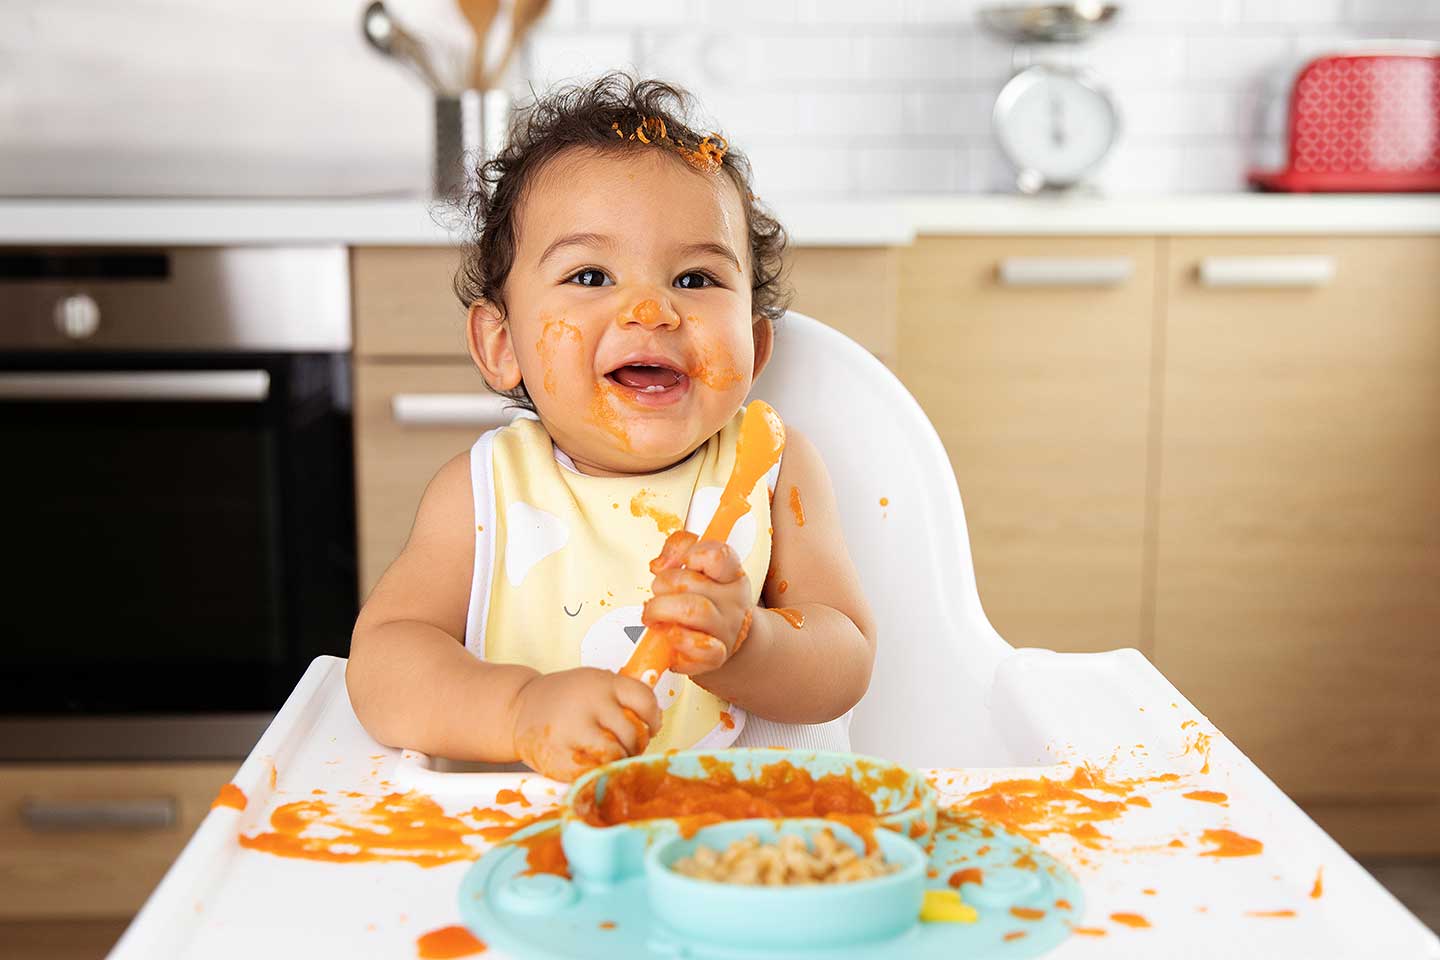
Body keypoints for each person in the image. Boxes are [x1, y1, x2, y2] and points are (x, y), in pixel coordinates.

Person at [347, 73, 876, 782]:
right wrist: (518, 710)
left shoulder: (774, 470)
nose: (650, 312)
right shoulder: (485, 494)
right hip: (538, 848)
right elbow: (382, 663)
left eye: (694, 279)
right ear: (503, 345)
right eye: (591, 276)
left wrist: (748, 645)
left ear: (754, 349)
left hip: (745, 838)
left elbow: (845, 659)